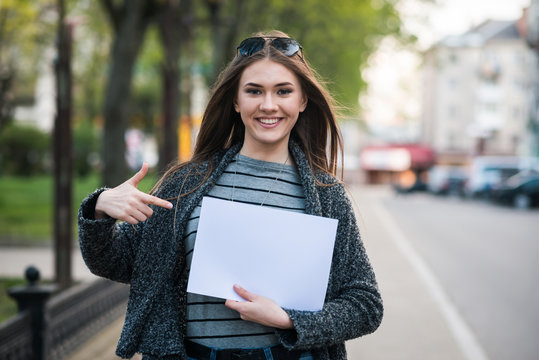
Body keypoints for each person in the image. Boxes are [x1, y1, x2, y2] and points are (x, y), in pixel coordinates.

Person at [78, 30, 383, 360]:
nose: (269, 105)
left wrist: (289, 320)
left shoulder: (328, 197)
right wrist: (99, 208)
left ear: (302, 100)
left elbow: (365, 304)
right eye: (254, 91)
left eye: (283, 91)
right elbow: (117, 262)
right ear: (236, 101)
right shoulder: (186, 185)